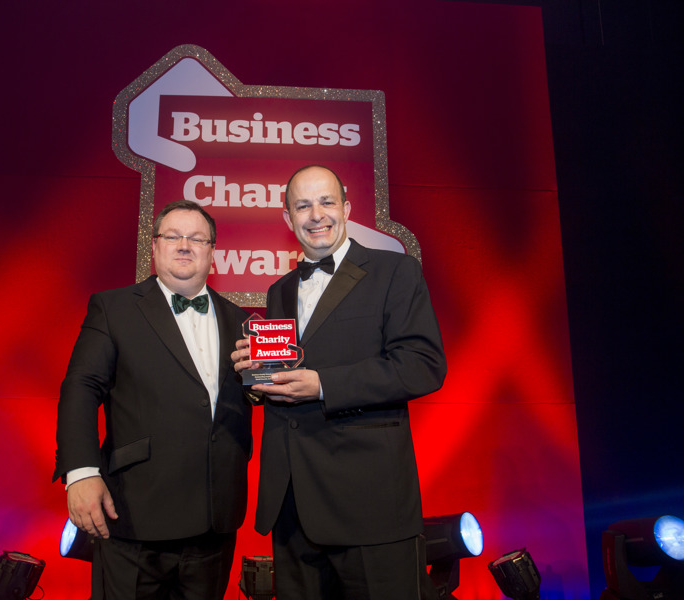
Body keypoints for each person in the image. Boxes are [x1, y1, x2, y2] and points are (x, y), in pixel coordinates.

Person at [232, 165, 447, 599]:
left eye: (326, 202)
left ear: (347, 208)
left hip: (368, 502)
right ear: (288, 220)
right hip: (293, 505)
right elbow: (281, 376)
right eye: (303, 206)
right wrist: (254, 378)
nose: (316, 215)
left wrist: (323, 384)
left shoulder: (395, 271)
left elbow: (423, 364)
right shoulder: (279, 291)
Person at [54, 200, 253, 599]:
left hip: (216, 521)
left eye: (197, 238)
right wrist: (80, 473)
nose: (185, 245)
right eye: (174, 236)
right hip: (133, 516)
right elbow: (80, 387)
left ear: (212, 252)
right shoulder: (113, 308)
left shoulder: (241, 320)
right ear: (155, 246)